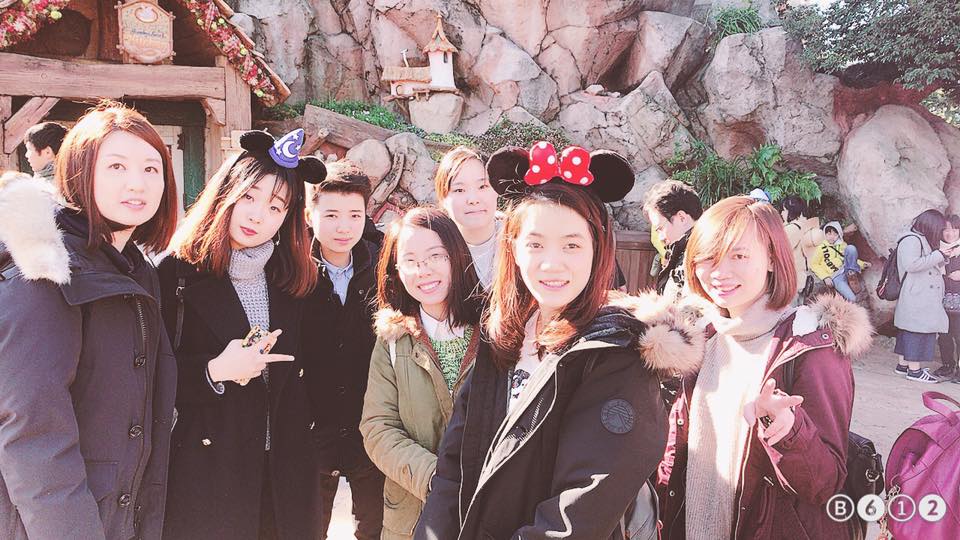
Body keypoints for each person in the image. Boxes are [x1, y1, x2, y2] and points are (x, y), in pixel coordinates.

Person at [415, 143, 701, 540]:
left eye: (571, 244)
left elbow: (580, 511)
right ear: (513, 248)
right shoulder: (503, 338)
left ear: (598, 249)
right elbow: (454, 466)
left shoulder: (616, 355)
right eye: (535, 244)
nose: (551, 263)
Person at [0, 102, 179, 539]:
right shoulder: (45, 268)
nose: (137, 183)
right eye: (116, 166)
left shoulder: (135, 268)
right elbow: (33, 433)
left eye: (151, 169)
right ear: (79, 172)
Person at [657, 196, 872, 540]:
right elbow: (679, 450)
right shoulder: (702, 336)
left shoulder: (810, 347)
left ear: (772, 258)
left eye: (739, 256)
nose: (720, 272)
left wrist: (789, 431)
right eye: (708, 257)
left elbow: (824, 484)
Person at [158, 129, 326, 539]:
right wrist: (214, 371)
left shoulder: (296, 280)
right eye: (249, 197)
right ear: (225, 194)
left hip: (284, 476)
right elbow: (147, 375)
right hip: (208, 474)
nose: (257, 215)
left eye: (275, 206)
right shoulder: (175, 273)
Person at [359, 207, 485, 540]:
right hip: (413, 515)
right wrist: (436, 478)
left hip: (486, 510)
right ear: (396, 270)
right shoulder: (392, 339)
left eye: (435, 256)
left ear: (456, 256)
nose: (423, 270)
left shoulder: (496, 331)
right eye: (410, 260)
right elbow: (377, 428)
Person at [301, 160, 385, 539]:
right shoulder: (293, 267)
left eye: (354, 215)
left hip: (369, 422)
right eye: (331, 215)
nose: (343, 227)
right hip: (312, 426)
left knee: (374, 526)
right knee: (308, 525)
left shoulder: (382, 264)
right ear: (310, 214)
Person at [893, 209, 955, 383]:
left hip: (918, 293)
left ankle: (903, 365)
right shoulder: (912, 240)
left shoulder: (917, 238)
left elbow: (925, 263)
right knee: (917, 332)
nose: (941, 232)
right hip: (917, 294)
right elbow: (911, 264)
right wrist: (938, 255)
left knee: (910, 330)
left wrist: (942, 256)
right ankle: (915, 371)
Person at [435, 146, 501, 289]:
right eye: (459, 190)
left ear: (497, 190)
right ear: (443, 198)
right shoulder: (434, 248)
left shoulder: (520, 239)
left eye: (482, 186)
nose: (473, 199)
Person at [643, 179, 703, 300]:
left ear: (681, 217)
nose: (660, 238)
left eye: (660, 228)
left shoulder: (700, 256)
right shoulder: (685, 251)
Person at [808, 221, 868, 302]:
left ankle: (851, 275)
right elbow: (814, 264)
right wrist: (825, 277)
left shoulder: (842, 245)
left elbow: (849, 258)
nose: (832, 237)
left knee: (851, 248)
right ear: (825, 234)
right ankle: (850, 281)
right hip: (836, 277)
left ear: (839, 234)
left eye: (835, 234)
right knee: (852, 299)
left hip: (846, 269)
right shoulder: (821, 248)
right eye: (829, 234)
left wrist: (862, 264)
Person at [780, 195, 824, 304]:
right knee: (799, 307)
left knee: (790, 310)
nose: (781, 213)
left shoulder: (793, 228)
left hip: (791, 280)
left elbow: (779, 250)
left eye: (784, 210)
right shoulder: (806, 225)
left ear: (792, 211)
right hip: (802, 278)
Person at [936, 214, 960, 381]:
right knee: (944, 335)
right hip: (941, 301)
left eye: (955, 229)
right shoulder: (937, 250)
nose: (950, 233)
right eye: (946, 229)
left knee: (959, 335)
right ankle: (947, 365)